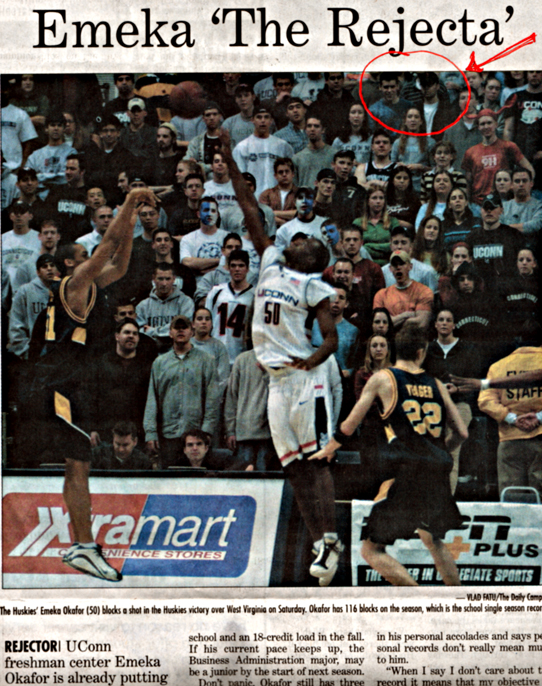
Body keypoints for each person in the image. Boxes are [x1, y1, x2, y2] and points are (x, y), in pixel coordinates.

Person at [221, 130, 344, 586]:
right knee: (292, 467)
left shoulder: (314, 285)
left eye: (303, 241)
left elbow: (330, 340)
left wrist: (311, 364)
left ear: (312, 257)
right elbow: (253, 214)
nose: (294, 239)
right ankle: (321, 541)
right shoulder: (272, 261)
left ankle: (330, 535)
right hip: (275, 381)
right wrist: (233, 170)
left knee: (316, 462)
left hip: (302, 379)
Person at [28, 186, 157, 582]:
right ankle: (83, 547)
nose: (93, 261)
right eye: (83, 258)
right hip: (60, 380)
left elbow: (119, 263)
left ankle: (81, 546)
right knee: (79, 461)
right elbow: (107, 249)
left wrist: (132, 220)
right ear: (70, 264)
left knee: (76, 462)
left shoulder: (93, 289)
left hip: (72, 380)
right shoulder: (73, 285)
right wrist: (132, 199)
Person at [312, 323, 468, 586]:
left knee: (371, 550)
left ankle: (417, 601)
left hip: (407, 469)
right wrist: (437, 452)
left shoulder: (384, 378)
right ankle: (459, 602)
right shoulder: (437, 384)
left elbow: (349, 426)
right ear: (422, 352)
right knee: (433, 540)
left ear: (396, 349)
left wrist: (327, 450)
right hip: (438, 469)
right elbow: (462, 433)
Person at [143, 315, 220, 468]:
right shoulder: (160, 363)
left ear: (192, 331)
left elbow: (212, 399)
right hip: (169, 435)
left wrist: (207, 431)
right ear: (170, 332)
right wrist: (150, 432)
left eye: (184, 327)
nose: (180, 331)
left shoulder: (206, 361)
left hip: (196, 437)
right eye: (176, 328)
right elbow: (152, 399)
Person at [424, 309, 482, 492]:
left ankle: (447, 500)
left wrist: (457, 390)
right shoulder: (428, 349)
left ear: (454, 325)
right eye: (440, 319)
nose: (444, 323)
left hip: (460, 405)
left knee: (452, 453)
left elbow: (475, 382)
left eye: (448, 320)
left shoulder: (468, 349)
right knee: (431, 452)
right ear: (435, 324)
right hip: (432, 406)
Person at [478, 342, 542, 498]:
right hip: (540, 436)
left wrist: (512, 419)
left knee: (512, 499)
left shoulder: (499, 366)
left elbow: (485, 400)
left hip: (509, 439)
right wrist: (539, 417)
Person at [462, 110, 534, 207]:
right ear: (478, 127)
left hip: (504, 203)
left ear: (496, 124)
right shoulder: (470, 152)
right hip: (478, 204)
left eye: (489, 123)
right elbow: (468, 182)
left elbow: (530, 171)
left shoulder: (508, 147)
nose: (486, 126)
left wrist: (519, 191)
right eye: (482, 124)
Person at [224, 349, 278, 471]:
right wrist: (230, 430)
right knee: (243, 481)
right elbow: (232, 397)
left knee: (265, 482)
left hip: (269, 435)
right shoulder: (242, 360)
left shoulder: (280, 359)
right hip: (244, 432)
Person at [204, 249, 254, 366]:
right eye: (233, 266)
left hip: (241, 358)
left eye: (241, 266)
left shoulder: (254, 296)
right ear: (228, 268)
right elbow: (207, 322)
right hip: (216, 356)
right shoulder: (216, 291)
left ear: (247, 268)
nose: (237, 269)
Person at [233, 105, 294, 195]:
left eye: (266, 117)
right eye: (259, 117)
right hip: (253, 197)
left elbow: (291, 173)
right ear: (252, 120)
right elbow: (239, 176)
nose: (263, 120)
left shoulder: (282, 145)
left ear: (271, 120)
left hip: (278, 198)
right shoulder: (242, 147)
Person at [8, 254, 57, 359]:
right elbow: (16, 323)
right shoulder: (25, 291)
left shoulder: (63, 290)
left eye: (52, 265)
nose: (49, 269)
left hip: (57, 352)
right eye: (44, 266)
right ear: (38, 272)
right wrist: (26, 351)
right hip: (33, 351)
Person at [135, 264, 195, 351]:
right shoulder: (143, 306)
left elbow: (183, 328)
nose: (164, 283)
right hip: (151, 352)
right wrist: (167, 332)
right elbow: (139, 332)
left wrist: (152, 331)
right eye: (160, 279)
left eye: (168, 279)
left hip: (177, 351)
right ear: (154, 279)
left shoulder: (185, 302)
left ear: (174, 279)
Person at [374, 250, 434, 331]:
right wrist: (406, 315)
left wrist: (392, 320)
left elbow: (421, 323)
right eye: (394, 264)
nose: (398, 267)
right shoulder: (381, 294)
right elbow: (379, 326)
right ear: (390, 269)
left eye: (402, 264)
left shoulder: (423, 291)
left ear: (410, 266)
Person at [180, 196, 228, 282]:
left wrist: (203, 266)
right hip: (199, 287)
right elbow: (187, 262)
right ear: (198, 214)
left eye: (213, 211)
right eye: (206, 210)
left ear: (217, 215)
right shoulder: (188, 239)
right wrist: (221, 260)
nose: (209, 214)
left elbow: (233, 262)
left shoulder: (227, 237)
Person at [354, 185, 400, 265]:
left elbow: (397, 245)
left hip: (388, 265)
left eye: (381, 198)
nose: (378, 201)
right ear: (368, 201)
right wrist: (385, 247)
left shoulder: (393, 222)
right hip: (364, 265)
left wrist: (368, 246)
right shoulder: (358, 222)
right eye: (374, 198)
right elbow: (356, 248)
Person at [391, 107, 435, 192]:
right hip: (403, 186)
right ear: (405, 121)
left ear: (421, 121)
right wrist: (399, 166)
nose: (413, 120)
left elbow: (435, 168)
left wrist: (421, 167)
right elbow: (391, 165)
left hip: (422, 185)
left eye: (416, 117)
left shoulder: (430, 142)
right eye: (410, 117)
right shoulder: (397, 142)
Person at [292, 111, 335, 188]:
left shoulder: (333, 154)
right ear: (305, 129)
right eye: (309, 126)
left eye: (316, 126)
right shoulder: (297, 158)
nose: (312, 129)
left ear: (323, 130)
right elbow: (294, 185)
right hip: (305, 198)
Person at [502, 168, 542, 239]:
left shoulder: (539, 205)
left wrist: (506, 228)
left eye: (524, 181)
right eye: (517, 181)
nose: (521, 184)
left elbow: (535, 225)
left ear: (531, 183)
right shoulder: (503, 206)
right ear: (511, 185)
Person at [258, 157, 297, 227]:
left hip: (295, 232)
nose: (284, 174)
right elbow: (263, 214)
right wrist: (283, 223)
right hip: (271, 233)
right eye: (280, 172)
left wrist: (274, 213)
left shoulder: (300, 193)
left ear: (293, 174)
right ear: (275, 176)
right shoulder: (266, 194)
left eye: (287, 171)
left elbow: (300, 213)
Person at [222, 83, 258, 149]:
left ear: (253, 97)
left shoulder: (263, 120)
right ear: (236, 99)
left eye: (246, 95)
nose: (243, 99)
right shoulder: (229, 123)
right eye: (239, 96)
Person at [385, 166, 421, 231]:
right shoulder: (384, 199)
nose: (402, 181)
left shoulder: (415, 201)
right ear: (392, 180)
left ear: (409, 181)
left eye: (405, 178)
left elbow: (417, 226)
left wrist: (399, 223)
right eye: (398, 178)